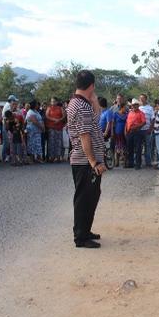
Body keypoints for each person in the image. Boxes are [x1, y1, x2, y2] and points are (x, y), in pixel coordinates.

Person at [66, 70, 106, 249]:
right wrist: (93, 162)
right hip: (84, 161)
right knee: (84, 198)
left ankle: (85, 230)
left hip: (87, 160)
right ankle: (80, 237)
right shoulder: (80, 106)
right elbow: (84, 136)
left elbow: (96, 119)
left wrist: (94, 100)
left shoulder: (81, 103)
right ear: (92, 85)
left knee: (92, 196)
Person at [125, 98, 146, 169]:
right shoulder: (130, 113)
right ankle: (130, 163)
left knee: (137, 148)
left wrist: (137, 126)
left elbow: (144, 122)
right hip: (129, 132)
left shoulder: (141, 113)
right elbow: (127, 122)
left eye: (135, 105)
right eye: (133, 105)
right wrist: (126, 130)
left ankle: (138, 164)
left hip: (137, 132)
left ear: (137, 105)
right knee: (129, 148)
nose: (134, 106)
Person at [46, 97, 65, 163]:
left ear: (57, 102)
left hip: (59, 127)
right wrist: (54, 120)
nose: (53, 103)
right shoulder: (49, 108)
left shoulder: (60, 108)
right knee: (51, 143)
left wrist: (59, 120)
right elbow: (47, 116)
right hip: (51, 127)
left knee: (58, 142)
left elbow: (64, 116)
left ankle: (58, 157)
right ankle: (52, 157)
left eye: (54, 101)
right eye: (52, 101)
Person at [139, 94, 155, 167]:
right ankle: (139, 162)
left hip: (147, 130)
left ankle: (148, 162)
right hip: (139, 130)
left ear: (146, 99)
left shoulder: (150, 108)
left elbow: (153, 119)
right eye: (140, 98)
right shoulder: (138, 107)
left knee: (147, 146)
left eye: (143, 98)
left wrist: (150, 129)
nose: (141, 99)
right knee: (139, 146)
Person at [113, 102, 128, 167]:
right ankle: (116, 162)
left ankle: (125, 163)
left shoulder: (127, 114)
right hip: (117, 132)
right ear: (121, 108)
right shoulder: (115, 114)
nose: (126, 109)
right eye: (125, 107)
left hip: (124, 133)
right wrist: (112, 132)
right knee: (117, 147)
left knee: (124, 147)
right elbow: (113, 124)